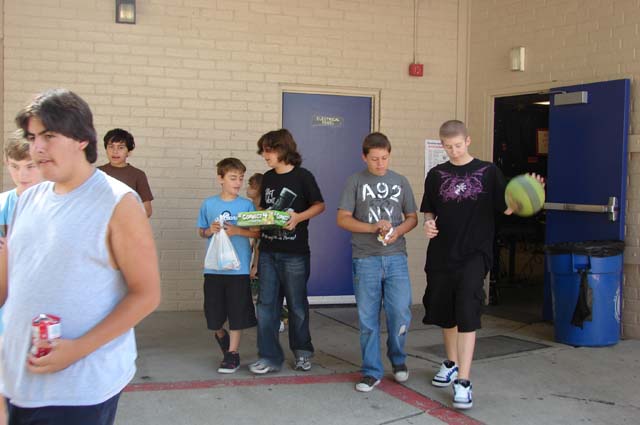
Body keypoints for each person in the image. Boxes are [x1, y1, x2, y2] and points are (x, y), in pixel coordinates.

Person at [0, 88, 161, 425]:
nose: (37, 148)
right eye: (32, 138)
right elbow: (11, 284)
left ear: (82, 139)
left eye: (49, 136)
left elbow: (146, 295)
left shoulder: (118, 202)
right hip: (19, 381)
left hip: (79, 389)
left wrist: (78, 348)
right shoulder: (28, 200)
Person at [421, 120, 531, 410]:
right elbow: (429, 209)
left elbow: (507, 207)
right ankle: (451, 364)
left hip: (474, 254)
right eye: (448, 147)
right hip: (442, 253)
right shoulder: (436, 174)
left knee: (467, 311)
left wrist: (527, 193)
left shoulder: (489, 172)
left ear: (468, 141)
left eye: (458, 145)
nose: (454, 151)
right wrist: (428, 223)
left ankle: (464, 382)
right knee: (445, 312)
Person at [337, 132, 418, 392]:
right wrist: (373, 227)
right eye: (374, 159)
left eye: (384, 158)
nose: (380, 163)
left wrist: (398, 231)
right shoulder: (355, 181)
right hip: (365, 258)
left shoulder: (400, 181)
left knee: (400, 312)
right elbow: (342, 218)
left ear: (389, 155)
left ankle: (398, 357)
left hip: (396, 257)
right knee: (368, 318)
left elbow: (412, 217)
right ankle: (371, 370)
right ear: (364, 157)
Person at [249, 129, 325, 374]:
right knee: (266, 306)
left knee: (297, 305)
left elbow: (319, 205)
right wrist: (257, 217)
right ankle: (269, 357)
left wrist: (298, 218)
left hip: (295, 253)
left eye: (268, 150)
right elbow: (264, 209)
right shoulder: (268, 178)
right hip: (268, 251)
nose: (264, 155)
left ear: (282, 149)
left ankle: (302, 353)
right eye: (263, 151)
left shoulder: (303, 176)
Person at [197, 158, 259, 374]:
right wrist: (209, 230)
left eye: (241, 178)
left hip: (238, 269)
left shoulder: (246, 205)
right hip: (214, 268)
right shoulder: (209, 204)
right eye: (233, 178)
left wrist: (238, 231)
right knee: (213, 316)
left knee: (236, 312)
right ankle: (221, 336)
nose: (238, 182)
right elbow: (201, 231)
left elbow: (257, 233)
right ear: (220, 179)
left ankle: (232, 353)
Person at [0, 131, 44, 425]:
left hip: (41, 314)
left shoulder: (56, 204)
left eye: (29, 166)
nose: (22, 175)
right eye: (15, 166)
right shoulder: (3, 204)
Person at [98, 128, 154, 217]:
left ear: (129, 152)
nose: (115, 151)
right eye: (111, 146)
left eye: (121, 147)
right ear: (106, 149)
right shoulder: (97, 173)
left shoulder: (138, 175)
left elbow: (147, 210)